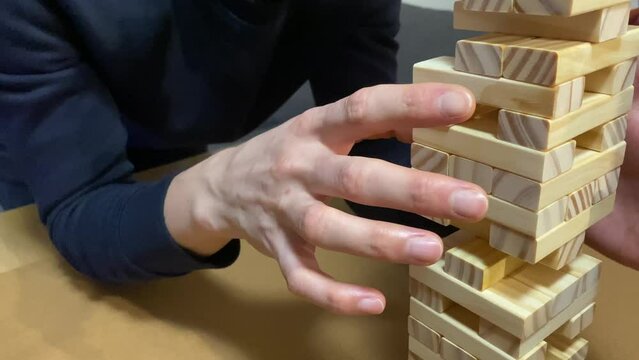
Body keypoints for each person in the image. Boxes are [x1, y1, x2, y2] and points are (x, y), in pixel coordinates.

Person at [0, 1, 636, 317]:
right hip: (31, 173)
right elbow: (82, 208)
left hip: (174, 153)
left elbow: (365, 141)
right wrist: (215, 193)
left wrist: (519, 176)